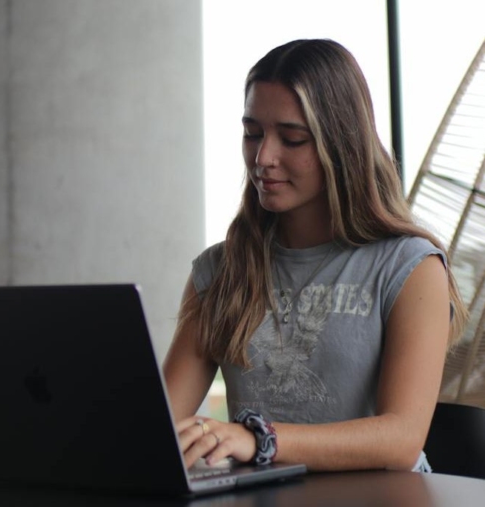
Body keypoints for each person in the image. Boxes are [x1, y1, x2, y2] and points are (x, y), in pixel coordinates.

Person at [163, 38, 468, 473]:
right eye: (252, 133)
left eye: (291, 139)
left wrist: (258, 439)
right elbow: (161, 428)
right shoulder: (219, 272)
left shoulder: (411, 268)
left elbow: (401, 439)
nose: (263, 157)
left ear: (341, 144)